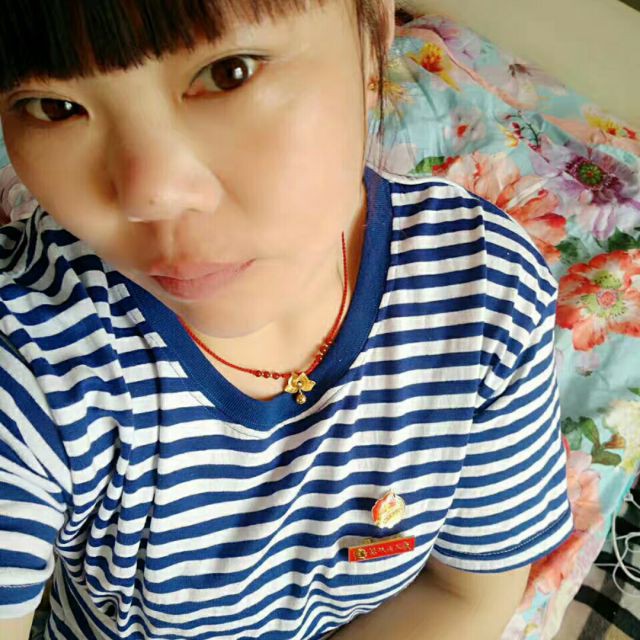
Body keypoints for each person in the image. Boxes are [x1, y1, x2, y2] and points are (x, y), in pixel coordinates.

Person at [0, 1, 573, 639]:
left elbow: (463, 594)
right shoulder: (31, 355)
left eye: (229, 72)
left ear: (371, 34)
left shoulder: (485, 291)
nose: (150, 195)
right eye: (53, 107)